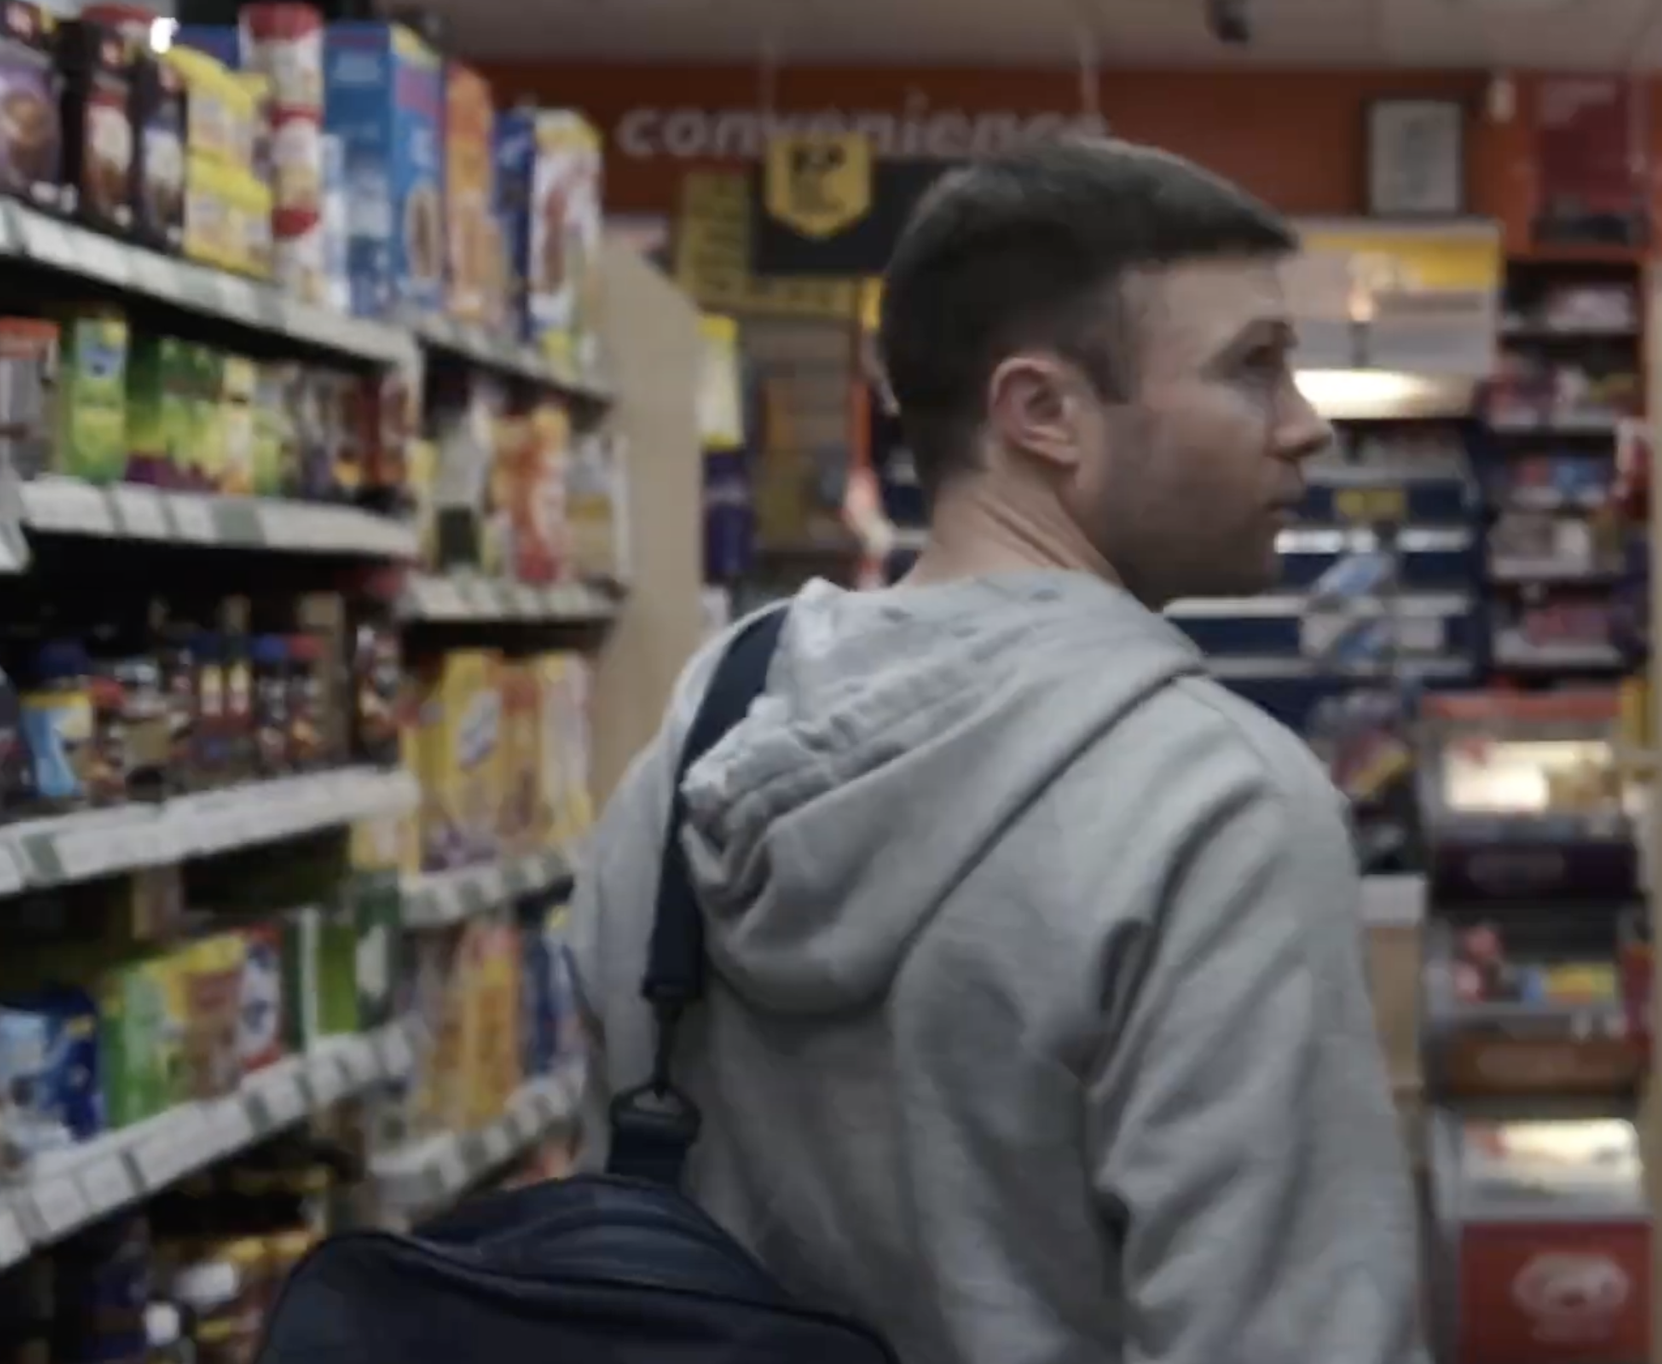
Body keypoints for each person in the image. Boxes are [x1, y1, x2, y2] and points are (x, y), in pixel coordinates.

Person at [567, 136, 1429, 1364]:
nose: (1308, 428)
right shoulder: (1214, 801)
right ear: (1041, 412)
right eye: (1255, 367)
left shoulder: (719, 712)